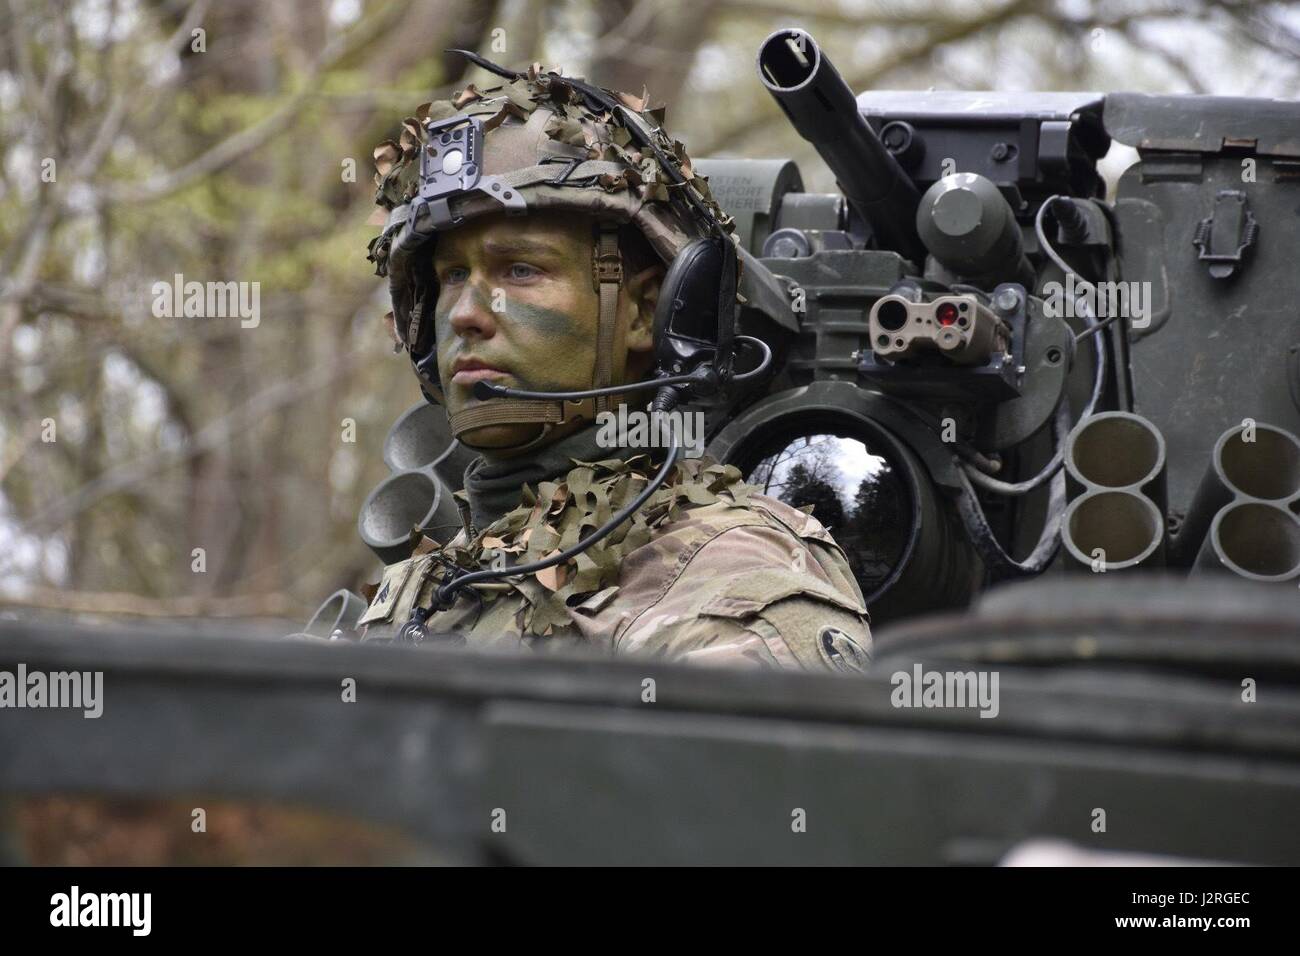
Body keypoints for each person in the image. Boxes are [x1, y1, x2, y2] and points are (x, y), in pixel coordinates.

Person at [356, 56, 871, 671]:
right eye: (452, 276)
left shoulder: (729, 576)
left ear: (643, 313)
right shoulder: (427, 582)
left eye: (520, 270)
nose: (466, 313)